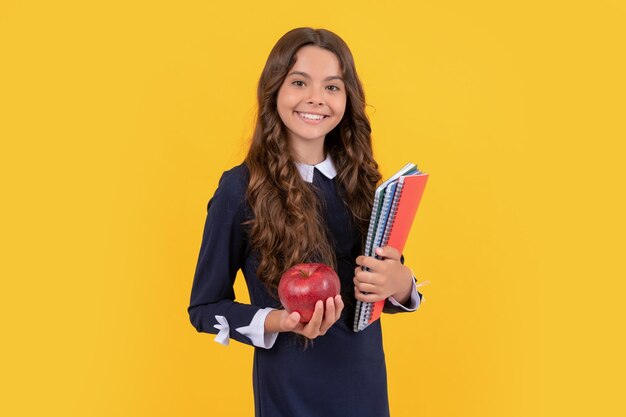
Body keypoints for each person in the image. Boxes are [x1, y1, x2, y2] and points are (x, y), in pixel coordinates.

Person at [188, 27, 423, 417]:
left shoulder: (364, 183)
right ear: (274, 91)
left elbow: (381, 286)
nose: (316, 98)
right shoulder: (241, 188)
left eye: (332, 87)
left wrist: (402, 285)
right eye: (300, 82)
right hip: (289, 394)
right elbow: (204, 307)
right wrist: (278, 320)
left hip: (365, 389)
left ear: (348, 98)